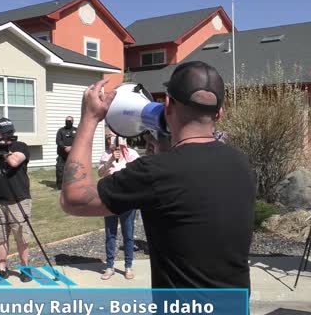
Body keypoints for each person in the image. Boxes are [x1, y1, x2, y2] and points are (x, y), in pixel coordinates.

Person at [61, 61, 256, 290]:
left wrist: (89, 119)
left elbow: (73, 199)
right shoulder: (243, 165)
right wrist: (166, 149)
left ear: (167, 104)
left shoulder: (155, 172)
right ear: (219, 113)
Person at [0, 118, 33, 282]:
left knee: (21, 236)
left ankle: (25, 268)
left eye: (8, 133)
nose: (5, 136)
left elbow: (14, 162)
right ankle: (1, 268)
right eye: (2, 133)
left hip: (18, 199)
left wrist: (3, 151)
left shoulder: (20, 147)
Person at [97, 134, 140, 280]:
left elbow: (139, 174)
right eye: (109, 138)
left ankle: (128, 266)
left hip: (127, 201)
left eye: (115, 138)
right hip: (109, 201)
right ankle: (110, 266)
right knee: (110, 235)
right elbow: (100, 173)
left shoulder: (132, 154)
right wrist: (110, 160)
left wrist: (125, 159)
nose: (111, 140)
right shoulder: (106, 155)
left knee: (128, 234)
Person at [55, 116, 77, 190]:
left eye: (70, 121)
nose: (68, 122)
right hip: (62, 154)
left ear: (72, 121)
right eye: (67, 120)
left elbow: (79, 140)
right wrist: (65, 147)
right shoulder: (61, 130)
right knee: (59, 169)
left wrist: (72, 147)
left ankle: (72, 185)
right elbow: (58, 141)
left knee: (73, 170)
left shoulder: (76, 130)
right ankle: (60, 186)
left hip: (73, 154)